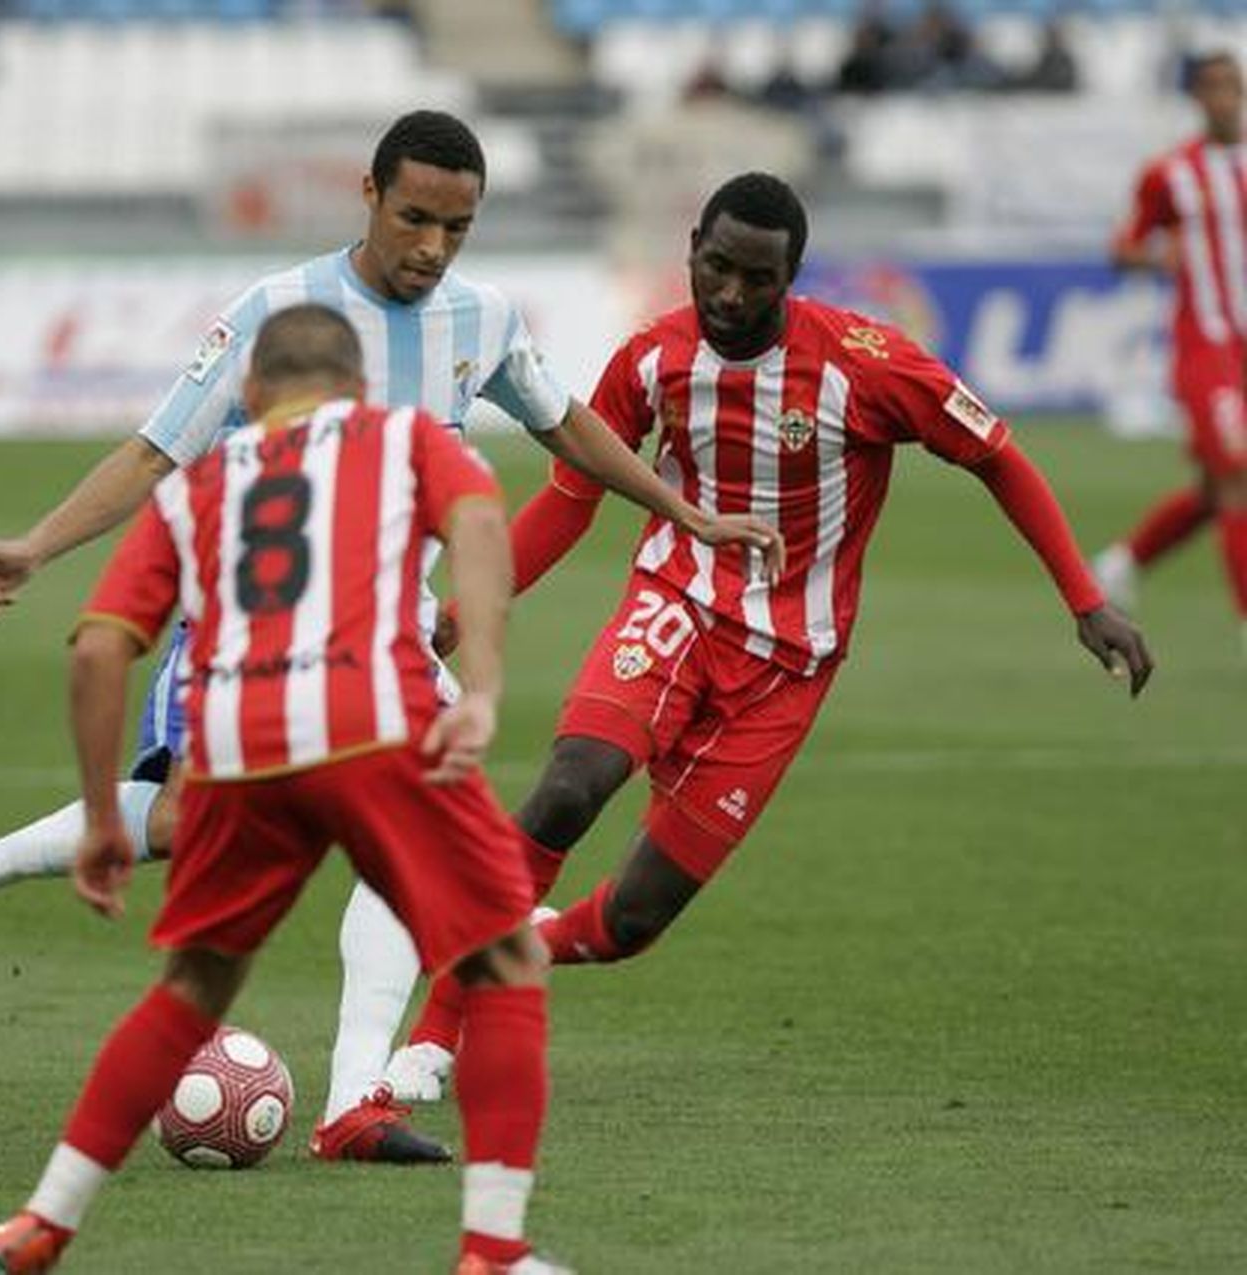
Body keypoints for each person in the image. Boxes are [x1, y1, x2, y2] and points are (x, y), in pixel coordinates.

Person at [0, 111, 779, 1161]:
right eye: (414, 218)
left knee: (402, 834)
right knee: (187, 828)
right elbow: (156, 452)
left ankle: (353, 1102)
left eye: (456, 228)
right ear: (367, 196)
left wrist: (680, 511)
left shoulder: (483, 317)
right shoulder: (277, 312)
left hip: (384, 640)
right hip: (249, 624)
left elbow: (567, 425)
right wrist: (38, 545)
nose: (430, 248)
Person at [383, 171, 1154, 1099]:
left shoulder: (869, 364)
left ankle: (522, 946)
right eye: (717, 268)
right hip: (675, 605)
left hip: (789, 665)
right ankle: (435, 1034)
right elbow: (568, 500)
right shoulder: (648, 361)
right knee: (568, 787)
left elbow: (998, 457)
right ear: (693, 248)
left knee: (633, 919)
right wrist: (458, 613)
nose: (733, 296)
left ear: (792, 275)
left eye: (759, 279)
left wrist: (1083, 597)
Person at [0, 305, 566, 1275]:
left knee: (190, 993)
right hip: (377, 730)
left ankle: (41, 1223)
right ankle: (493, 1251)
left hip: (236, 752)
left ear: (248, 399)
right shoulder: (402, 436)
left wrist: (101, 821)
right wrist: (484, 688)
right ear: (358, 392)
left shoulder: (194, 492)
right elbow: (481, 523)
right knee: (501, 965)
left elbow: (98, 652)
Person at [1093, 50, 1247, 654]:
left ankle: (1123, 562)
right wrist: (1159, 257)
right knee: (1237, 476)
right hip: (1207, 346)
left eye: (1229, 85)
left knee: (1216, 488)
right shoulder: (1171, 174)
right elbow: (1122, 248)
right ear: (1195, 98)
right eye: (1208, 87)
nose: (1220, 97)